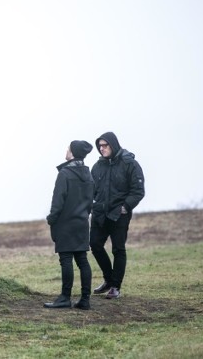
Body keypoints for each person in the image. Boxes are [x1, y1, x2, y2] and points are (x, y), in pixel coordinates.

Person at [90, 132, 145, 299]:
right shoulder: (97, 166)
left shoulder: (130, 164)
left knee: (118, 249)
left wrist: (126, 207)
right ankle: (108, 279)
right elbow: (91, 190)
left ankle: (115, 286)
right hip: (100, 214)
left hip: (119, 214)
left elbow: (138, 191)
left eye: (105, 145)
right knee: (95, 245)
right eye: (100, 146)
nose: (102, 149)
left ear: (113, 145)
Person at [44, 140, 94, 310]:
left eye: (68, 148)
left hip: (65, 224)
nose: (66, 150)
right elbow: (90, 202)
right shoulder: (88, 174)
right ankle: (85, 300)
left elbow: (58, 201)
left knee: (66, 260)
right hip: (81, 224)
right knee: (82, 260)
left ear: (72, 153)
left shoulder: (65, 173)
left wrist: (51, 219)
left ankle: (65, 298)